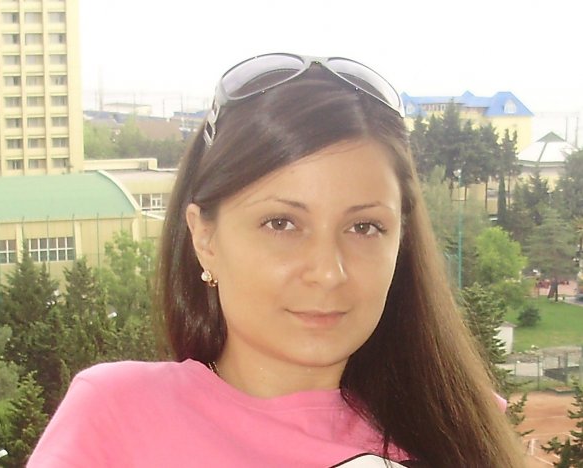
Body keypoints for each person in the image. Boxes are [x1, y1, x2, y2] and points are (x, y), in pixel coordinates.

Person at [29, 53, 524, 467]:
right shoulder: (120, 420)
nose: (328, 271)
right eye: (281, 224)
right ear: (205, 236)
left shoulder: (460, 432)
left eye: (364, 227)